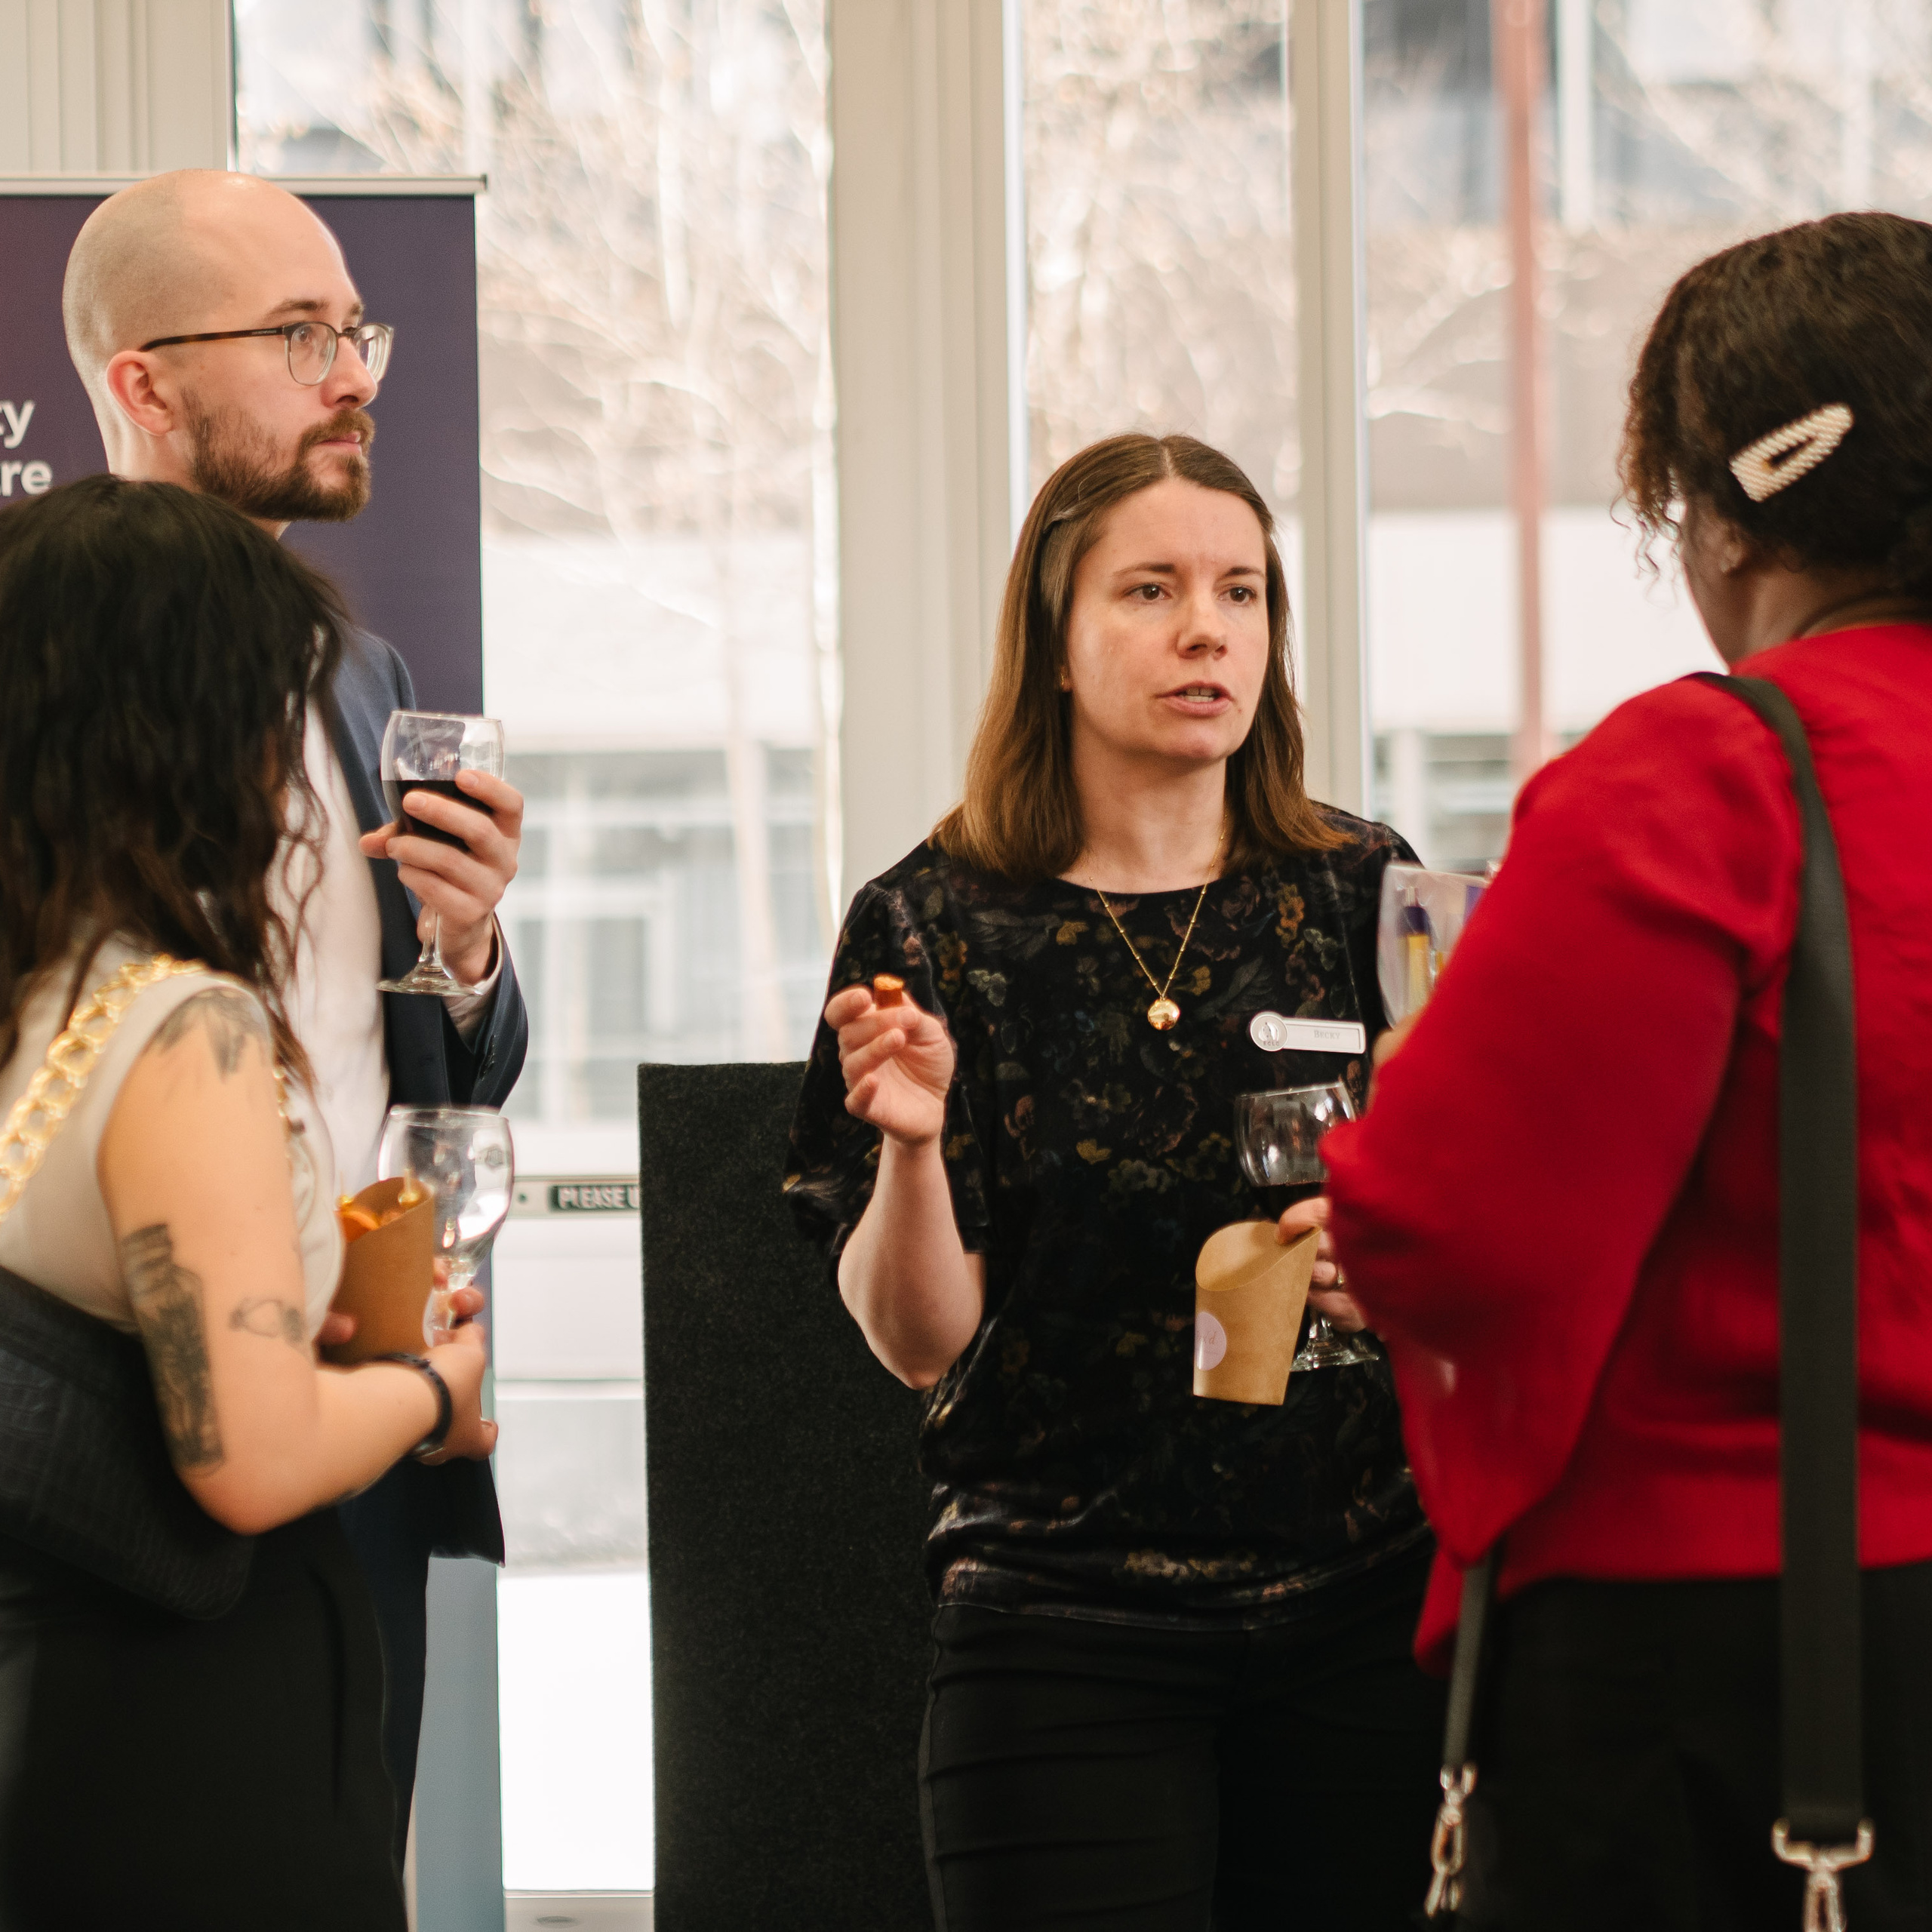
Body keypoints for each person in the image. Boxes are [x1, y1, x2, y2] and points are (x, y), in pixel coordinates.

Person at [1318, 210, 1932, 1928]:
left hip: (1732, 1653)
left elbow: (1453, 1225)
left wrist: (1389, 1127)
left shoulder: (1704, 776)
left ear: (1733, 507)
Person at [786, 432, 1445, 1930]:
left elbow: (1469, 1227)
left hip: (1360, 1604)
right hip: (1058, 1625)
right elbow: (915, 1340)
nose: (1204, 626)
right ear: (1056, 642)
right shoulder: (932, 915)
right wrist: (905, 1142)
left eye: (1238, 591)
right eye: (1147, 589)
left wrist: (1395, 1256)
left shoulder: (1363, 887)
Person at [60, 169, 529, 1844]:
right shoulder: (29, 667)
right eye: (298, 335)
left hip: (363, 1405)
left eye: (356, 328)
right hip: (90, 1443)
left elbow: (438, 1047)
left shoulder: (369, 677)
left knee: (347, 1861)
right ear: (142, 383)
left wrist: (464, 946)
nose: (356, 374)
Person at [0, 475, 497, 1930]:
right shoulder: (183, 1028)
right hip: (185, 1717)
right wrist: (429, 1383)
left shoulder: (38, 995)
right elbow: (257, 1456)